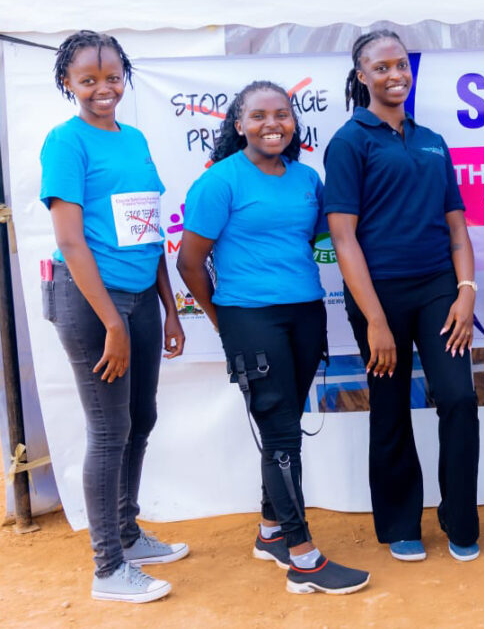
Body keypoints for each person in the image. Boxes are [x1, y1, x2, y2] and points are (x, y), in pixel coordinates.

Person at [177, 81, 371, 595]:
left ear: (294, 121)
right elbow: (189, 262)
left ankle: (270, 533)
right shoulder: (220, 182)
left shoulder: (308, 179)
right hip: (248, 316)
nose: (272, 124)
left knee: (287, 422)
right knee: (281, 432)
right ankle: (303, 558)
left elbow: (316, 239)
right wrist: (225, 321)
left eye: (281, 115)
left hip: (305, 313)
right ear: (238, 124)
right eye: (259, 116)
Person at [40, 30, 187, 604]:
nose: (103, 88)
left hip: (141, 299)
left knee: (141, 418)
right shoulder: (65, 142)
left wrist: (170, 310)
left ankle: (128, 532)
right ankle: (109, 569)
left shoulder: (136, 139)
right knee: (108, 432)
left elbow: (147, 233)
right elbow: (73, 244)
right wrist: (114, 323)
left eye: (112, 77)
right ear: (67, 84)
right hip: (90, 304)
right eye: (88, 79)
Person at [324, 30, 481, 562]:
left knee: (458, 398)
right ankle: (400, 525)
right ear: (362, 75)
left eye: (402, 65)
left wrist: (466, 291)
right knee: (389, 407)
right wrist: (374, 320)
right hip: (379, 295)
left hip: (439, 288)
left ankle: (461, 521)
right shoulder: (350, 141)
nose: (396, 75)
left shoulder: (432, 139)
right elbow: (343, 237)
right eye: (382, 67)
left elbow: (456, 226)